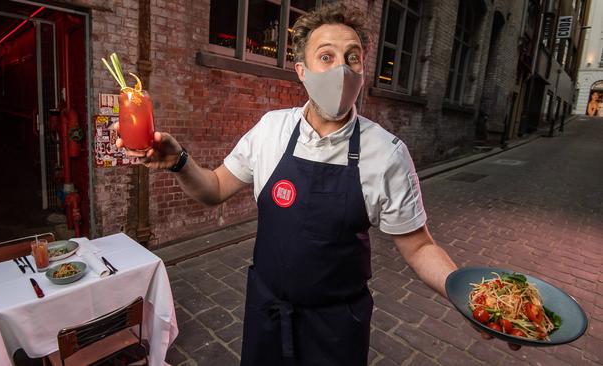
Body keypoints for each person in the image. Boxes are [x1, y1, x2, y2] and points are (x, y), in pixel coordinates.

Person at [117, 3, 515, 364]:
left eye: (352, 58)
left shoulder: (386, 153)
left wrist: (466, 295)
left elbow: (420, 245)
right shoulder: (271, 130)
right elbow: (215, 188)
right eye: (326, 57)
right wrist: (180, 162)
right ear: (302, 71)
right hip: (267, 314)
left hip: (337, 329)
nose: (341, 69)